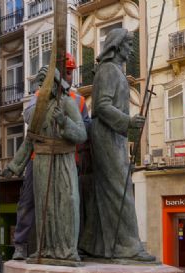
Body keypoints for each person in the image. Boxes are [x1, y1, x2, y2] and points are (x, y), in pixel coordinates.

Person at [79, 28, 155, 261]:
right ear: (117, 46)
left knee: (108, 190)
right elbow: (101, 106)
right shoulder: (108, 71)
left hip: (115, 135)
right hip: (106, 135)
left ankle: (94, 245)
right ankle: (128, 246)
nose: (131, 50)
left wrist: (127, 125)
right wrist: (128, 121)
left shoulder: (115, 72)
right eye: (129, 45)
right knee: (118, 190)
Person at [7, 53, 91, 260]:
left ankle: (73, 246)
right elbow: (30, 122)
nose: (70, 77)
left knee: (71, 203)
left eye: (72, 72)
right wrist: (43, 97)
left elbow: (85, 130)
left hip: (67, 159)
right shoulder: (38, 97)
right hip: (39, 159)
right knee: (29, 202)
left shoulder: (77, 101)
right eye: (67, 72)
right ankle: (21, 244)